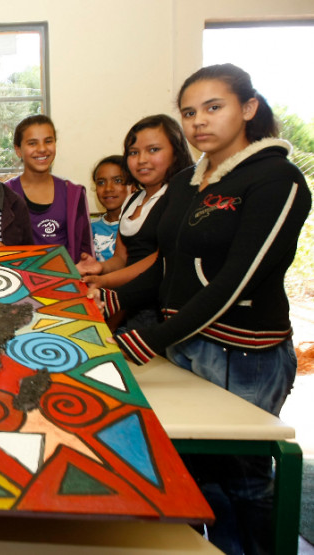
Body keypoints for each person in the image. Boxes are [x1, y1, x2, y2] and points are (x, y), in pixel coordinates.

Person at [100, 63, 311, 555]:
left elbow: (237, 281)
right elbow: (168, 266)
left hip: (243, 354)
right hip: (188, 345)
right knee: (200, 473)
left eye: (214, 108)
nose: (200, 122)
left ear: (248, 109)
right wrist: (115, 297)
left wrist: (149, 339)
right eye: (190, 112)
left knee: (245, 480)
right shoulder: (192, 183)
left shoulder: (277, 179)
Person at [77, 115, 193, 295]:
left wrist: (105, 281)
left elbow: (158, 262)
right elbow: (121, 258)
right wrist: (100, 267)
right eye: (133, 152)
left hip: (160, 303)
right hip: (131, 300)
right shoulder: (132, 200)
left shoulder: (178, 197)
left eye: (153, 150)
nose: (141, 160)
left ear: (176, 152)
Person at [6, 115, 93, 260]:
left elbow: (85, 248)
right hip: (22, 277)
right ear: (18, 150)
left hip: (67, 278)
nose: (42, 149)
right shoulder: (5, 193)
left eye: (48, 141)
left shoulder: (73, 193)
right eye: (32, 143)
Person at [89, 155, 134, 262]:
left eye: (117, 181)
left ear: (133, 185)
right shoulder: (89, 227)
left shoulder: (139, 226)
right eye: (101, 182)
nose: (108, 188)